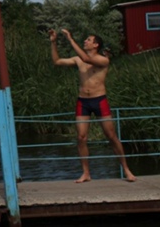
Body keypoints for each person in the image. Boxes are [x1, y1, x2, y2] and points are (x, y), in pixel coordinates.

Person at [49, 28, 137, 183]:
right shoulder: (78, 59)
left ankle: (126, 170)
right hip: (83, 102)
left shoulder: (103, 60)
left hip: (99, 100)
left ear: (96, 45)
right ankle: (86, 173)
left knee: (111, 136)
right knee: (81, 138)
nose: (85, 41)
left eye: (88, 40)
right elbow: (56, 61)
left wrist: (70, 38)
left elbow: (87, 59)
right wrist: (54, 42)